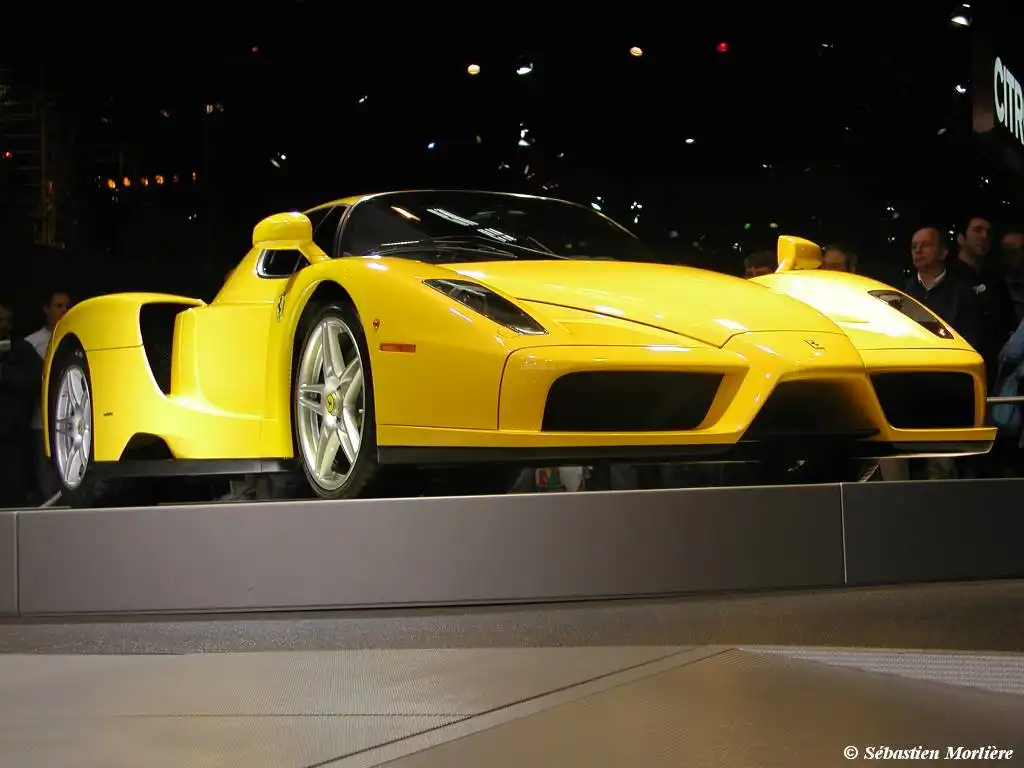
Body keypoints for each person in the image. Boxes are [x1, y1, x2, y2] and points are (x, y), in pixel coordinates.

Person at [25, 291, 71, 502]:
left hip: (70, 424)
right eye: (58, 306)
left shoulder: (74, 337)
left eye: (67, 306)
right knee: (46, 482)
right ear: (46, 308)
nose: (64, 310)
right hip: (42, 423)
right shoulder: (32, 343)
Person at [0, 300, 43, 507]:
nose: (4, 324)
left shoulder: (22, 349)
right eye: (0, 320)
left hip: (14, 435)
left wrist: (4, 375)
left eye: (7, 320)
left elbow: (37, 378)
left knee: (12, 489)